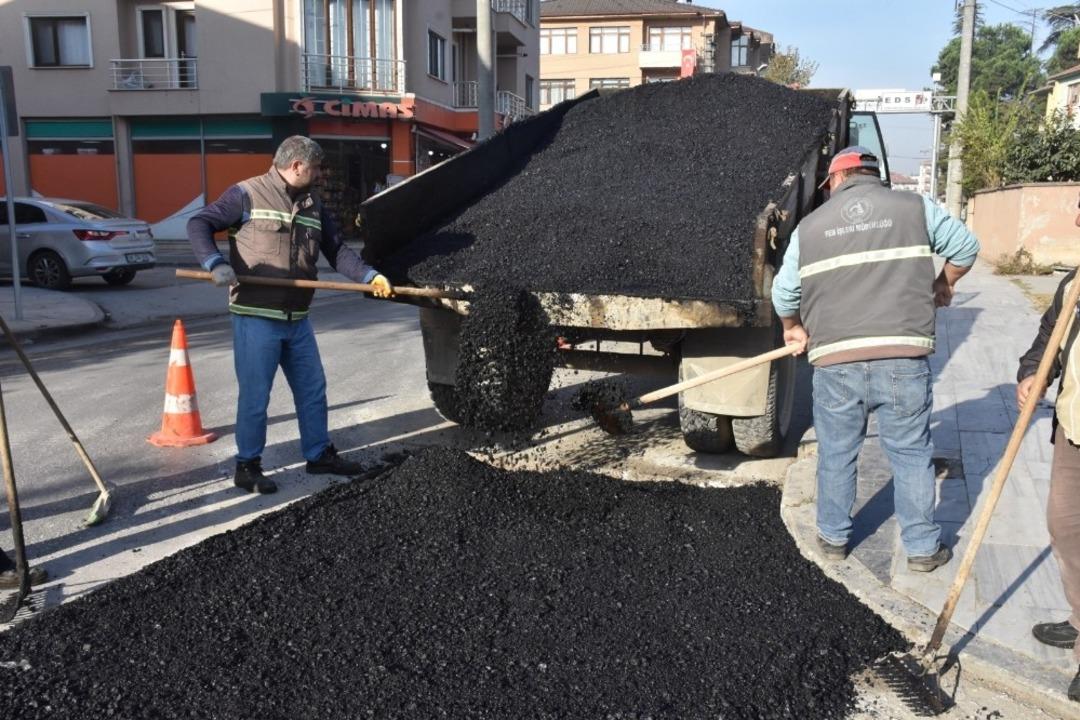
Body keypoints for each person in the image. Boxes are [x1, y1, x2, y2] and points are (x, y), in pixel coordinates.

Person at [771, 146, 980, 571]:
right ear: (873, 175)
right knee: (910, 454)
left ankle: (832, 538)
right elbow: (965, 247)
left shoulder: (809, 228)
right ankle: (922, 549)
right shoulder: (913, 207)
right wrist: (943, 283)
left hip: (836, 361)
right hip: (903, 358)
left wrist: (793, 329)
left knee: (837, 452)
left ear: (835, 181)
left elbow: (784, 294)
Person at [187, 135, 394, 495]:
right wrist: (214, 263)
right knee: (256, 395)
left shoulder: (314, 205)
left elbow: (337, 250)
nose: (318, 175)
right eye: (315, 168)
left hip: (297, 317)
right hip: (256, 315)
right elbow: (198, 224)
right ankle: (248, 466)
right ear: (297, 166)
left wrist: (368, 276)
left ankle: (319, 454)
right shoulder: (246, 194)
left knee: (313, 390)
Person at [1017, 257, 1080, 701]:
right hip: (1075, 427)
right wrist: (1033, 373)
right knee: (1066, 529)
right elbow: (1050, 338)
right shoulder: (1074, 281)